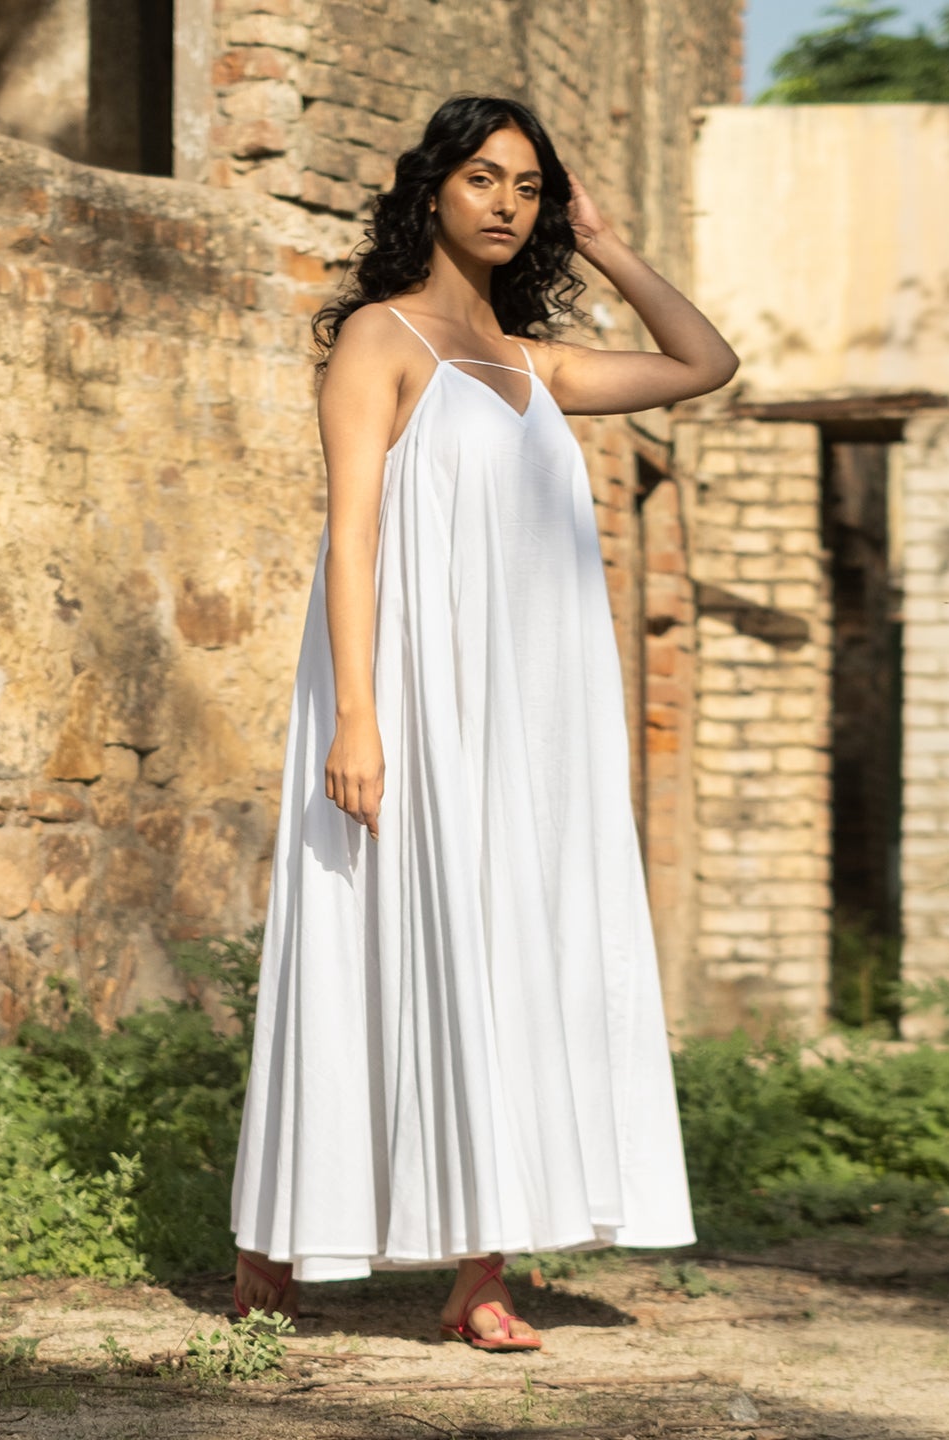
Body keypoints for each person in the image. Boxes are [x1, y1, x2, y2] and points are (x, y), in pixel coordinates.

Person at [229, 94, 739, 1352]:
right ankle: (277, 1237)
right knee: (366, 938)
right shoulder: (378, 340)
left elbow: (702, 363)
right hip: (404, 697)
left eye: (527, 183)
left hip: (529, 721)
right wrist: (356, 714)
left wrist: (610, 245)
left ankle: (481, 1271)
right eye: (483, 178)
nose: (507, 202)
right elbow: (349, 537)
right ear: (432, 190)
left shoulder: (534, 363)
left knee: (507, 956)